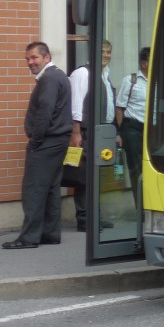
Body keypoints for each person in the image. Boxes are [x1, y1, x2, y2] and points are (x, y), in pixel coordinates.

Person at [4, 42, 72, 249]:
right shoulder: (58, 76)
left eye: (34, 58)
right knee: (51, 188)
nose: (30, 62)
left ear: (47, 57)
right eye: (27, 58)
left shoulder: (49, 79)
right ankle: (50, 234)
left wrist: (35, 140)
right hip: (58, 140)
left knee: (34, 189)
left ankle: (29, 237)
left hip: (47, 141)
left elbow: (45, 111)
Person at [69, 40, 114, 232]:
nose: (105, 55)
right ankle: (84, 219)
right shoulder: (82, 73)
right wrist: (76, 132)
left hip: (102, 132)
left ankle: (95, 216)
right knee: (84, 177)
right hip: (86, 132)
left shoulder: (105, 75)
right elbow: (76, 104)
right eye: (102, 51)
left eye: (108, 52)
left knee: (98, 177)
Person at [116, 47, 149, 196]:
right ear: (143, 63)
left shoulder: (158, 80)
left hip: (151, 130)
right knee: (136, 168)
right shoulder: (130, 81)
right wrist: (120, 132)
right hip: (133, 129)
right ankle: (140, 208)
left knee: (151, 167)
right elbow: (119, 108)